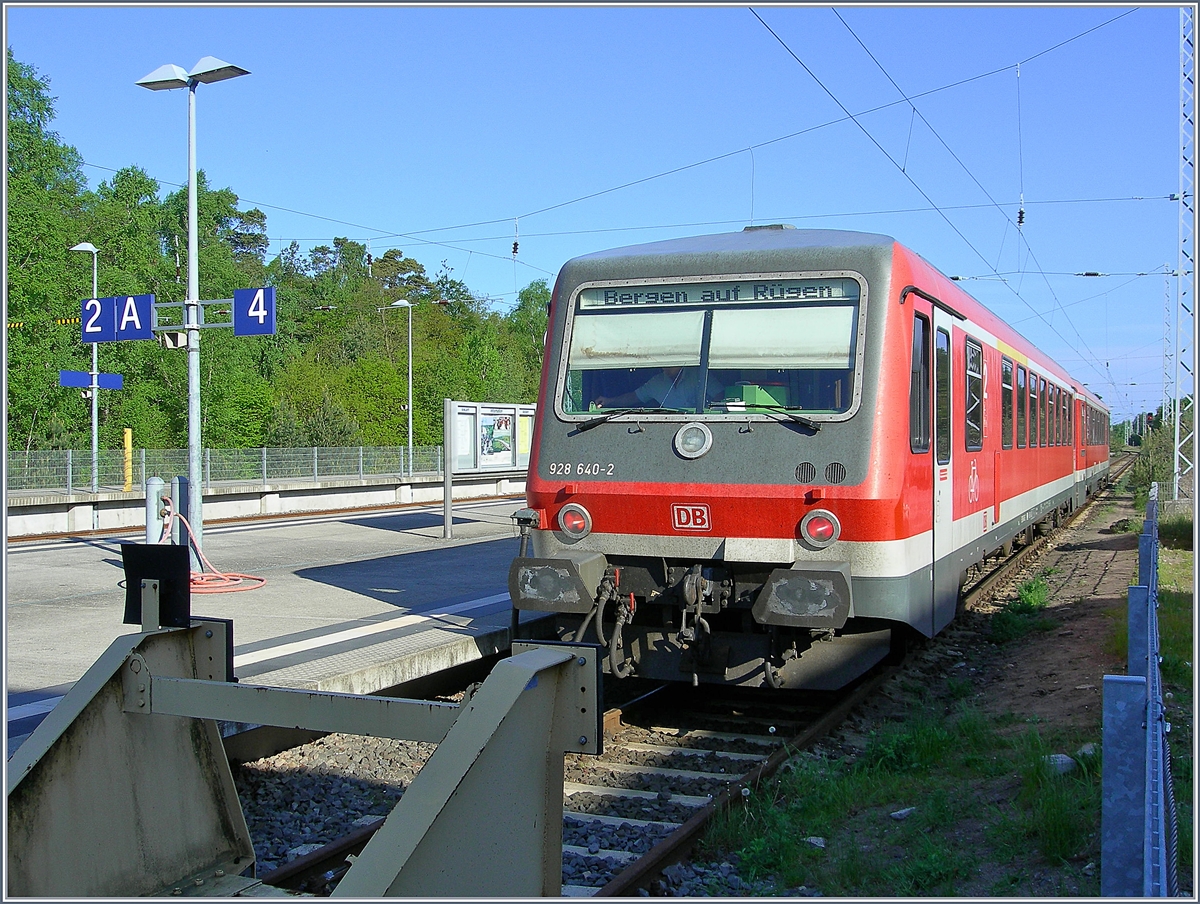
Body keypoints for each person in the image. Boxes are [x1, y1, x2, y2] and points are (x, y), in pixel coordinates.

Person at [594, 366, 720, 409]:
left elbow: (719, 395)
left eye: (670, 363)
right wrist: (609, 401)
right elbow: (633, 397)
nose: (665, 367)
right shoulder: (656, 382)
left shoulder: (699, 375)